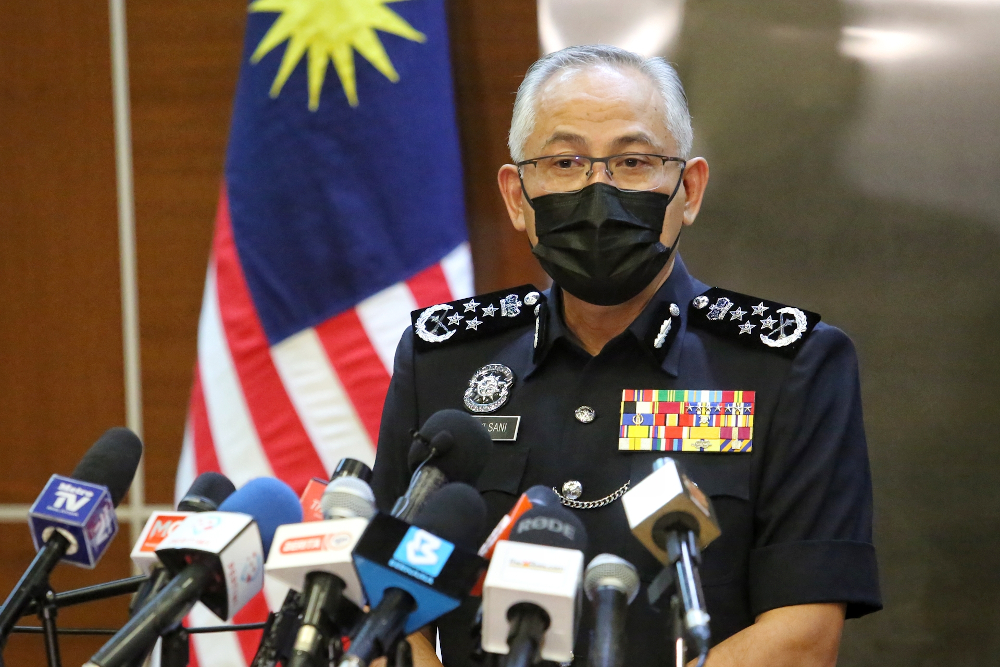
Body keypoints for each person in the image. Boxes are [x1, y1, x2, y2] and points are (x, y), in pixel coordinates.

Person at [371, 44, 881, 667]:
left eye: (634, 161)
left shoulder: (790, 365)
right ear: (516, 196)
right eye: (564, 162)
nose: (598, 192)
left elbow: (802, 635)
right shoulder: (443, 360)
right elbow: (391, 607)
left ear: (689, 189)